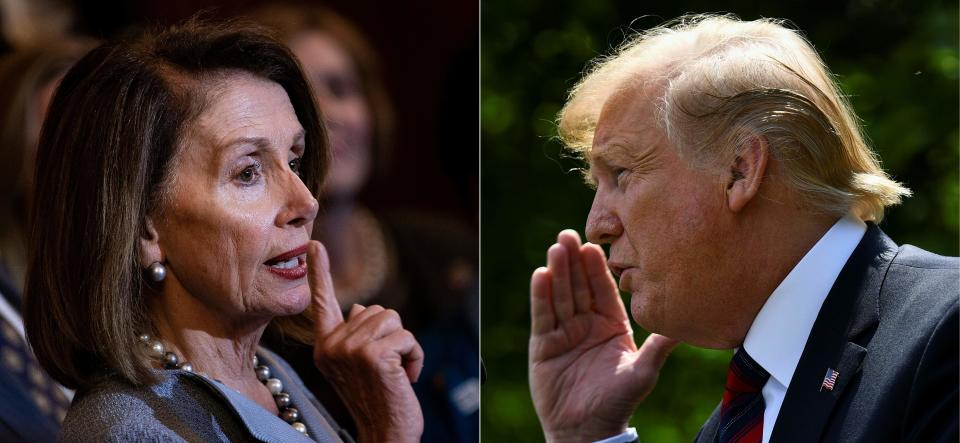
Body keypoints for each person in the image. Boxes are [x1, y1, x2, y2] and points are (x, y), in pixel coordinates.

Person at [528, 14, 958, 443]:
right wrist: (588, 437)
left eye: (621, 173)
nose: (595, 226)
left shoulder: (945, 332)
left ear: (740, 170)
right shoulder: (736, 419)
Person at [24, 19, 424, 442]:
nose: (306, 203)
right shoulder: (133, 431)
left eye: (293, 160)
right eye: (248, 172)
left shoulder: (269, 374)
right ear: (144, 229)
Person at [250, 5, 480, 442]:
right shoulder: (251, 308)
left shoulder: (448, 251)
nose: (327, 114)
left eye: (340, 88)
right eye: (300, 97)